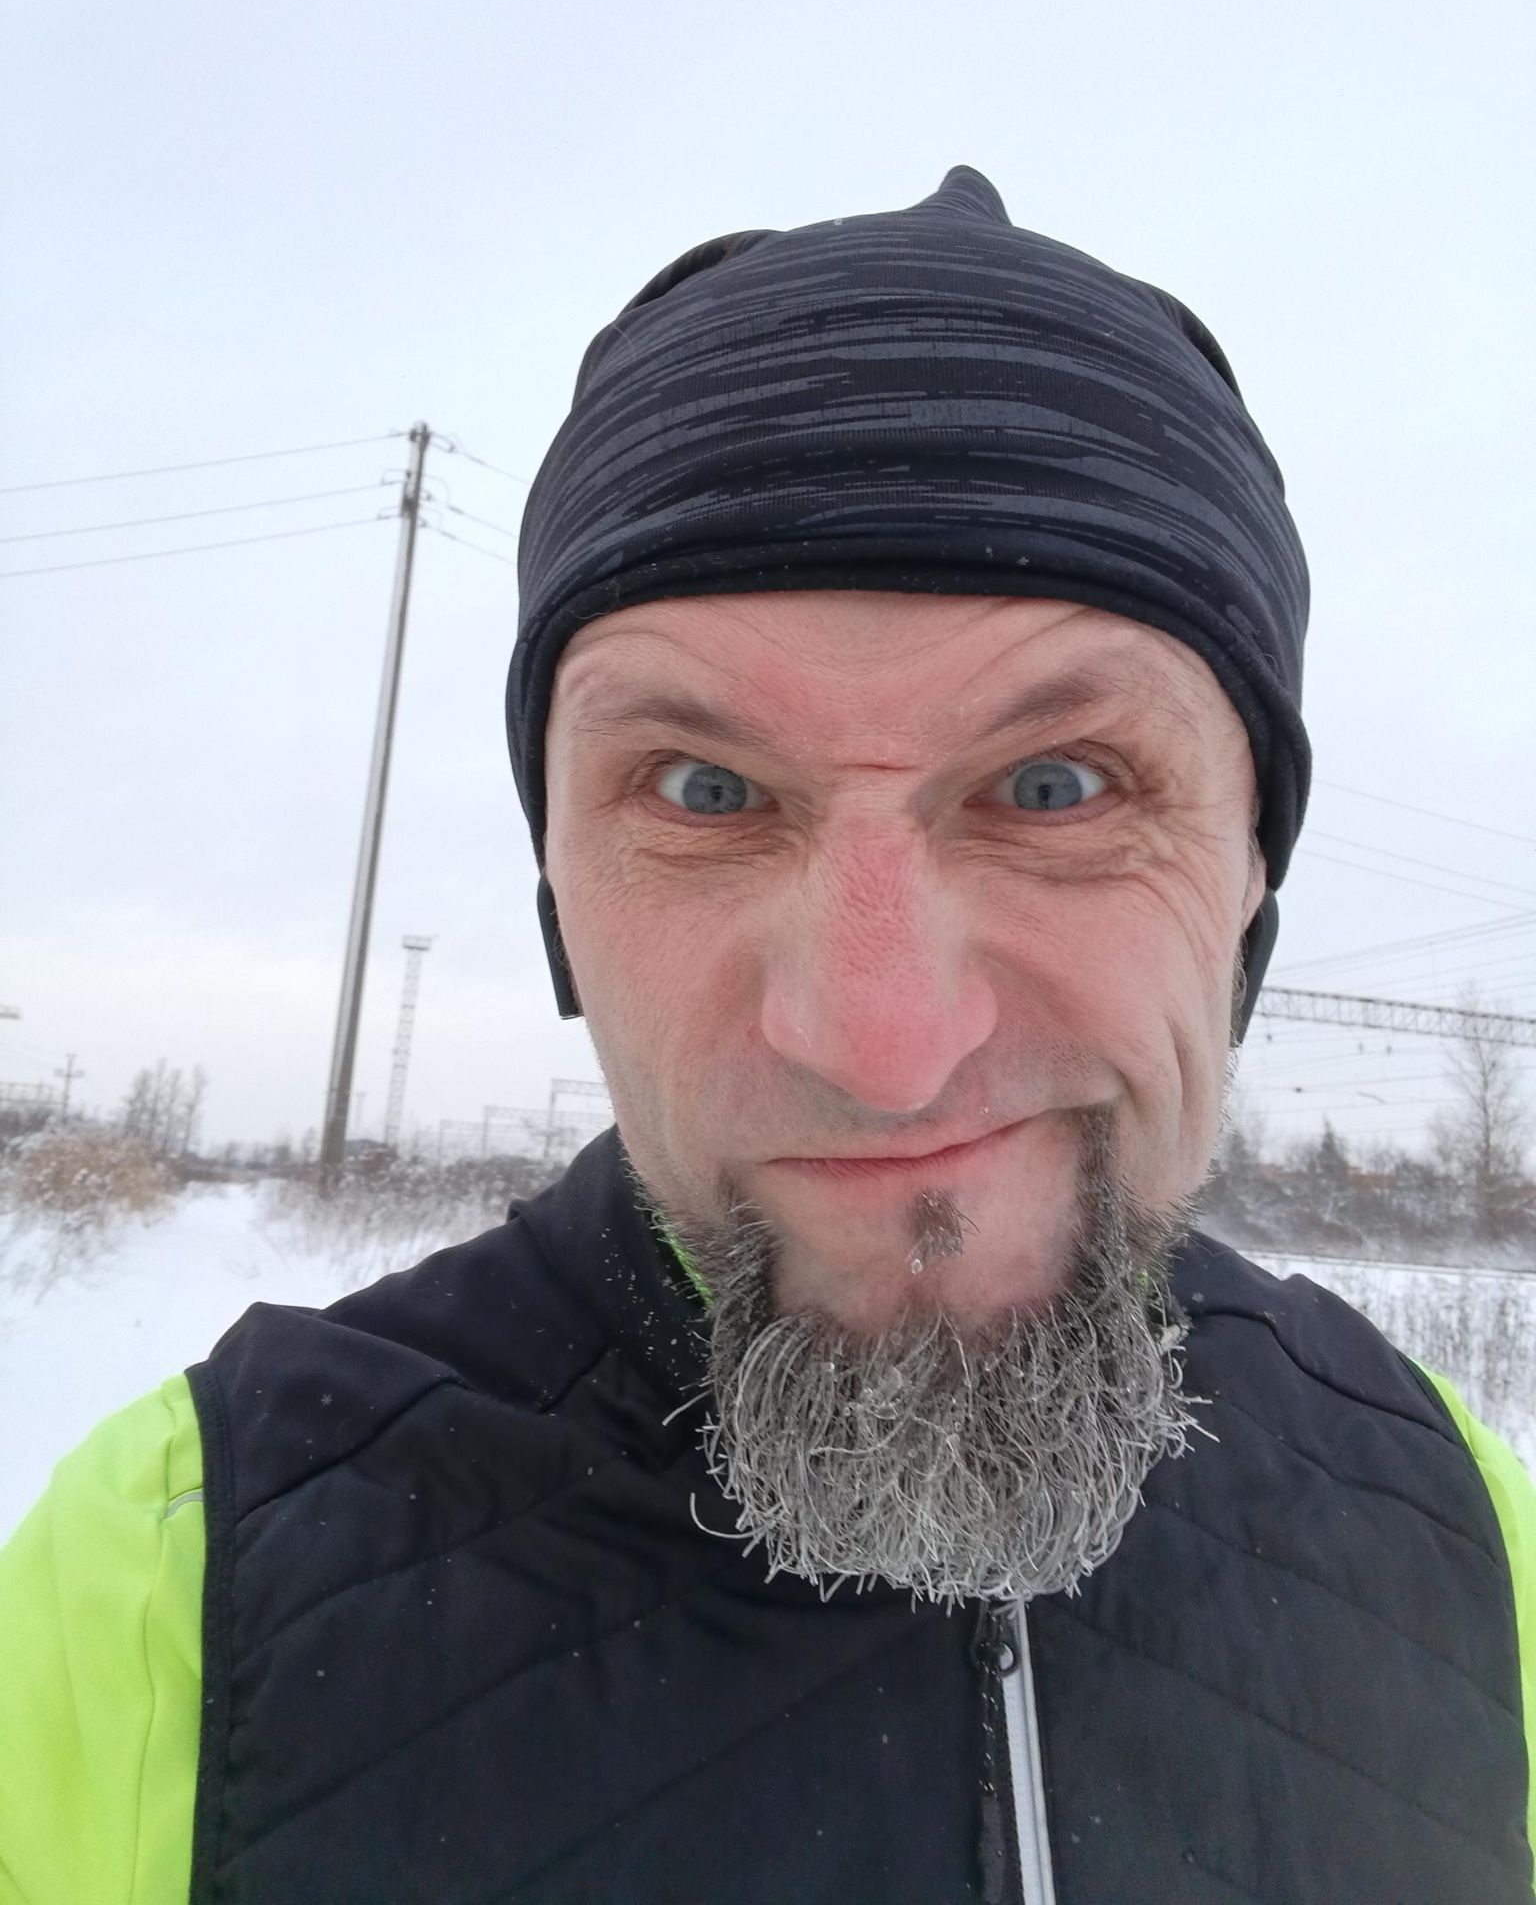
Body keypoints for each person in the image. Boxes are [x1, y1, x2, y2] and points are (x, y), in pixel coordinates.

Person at [2, 167, 1532, 1905]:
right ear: (561, 897)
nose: (883, 1047)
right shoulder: (178, 1590)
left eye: (1058, 785)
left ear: (1253, 877)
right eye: (705, 791)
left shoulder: (1462, 1528)